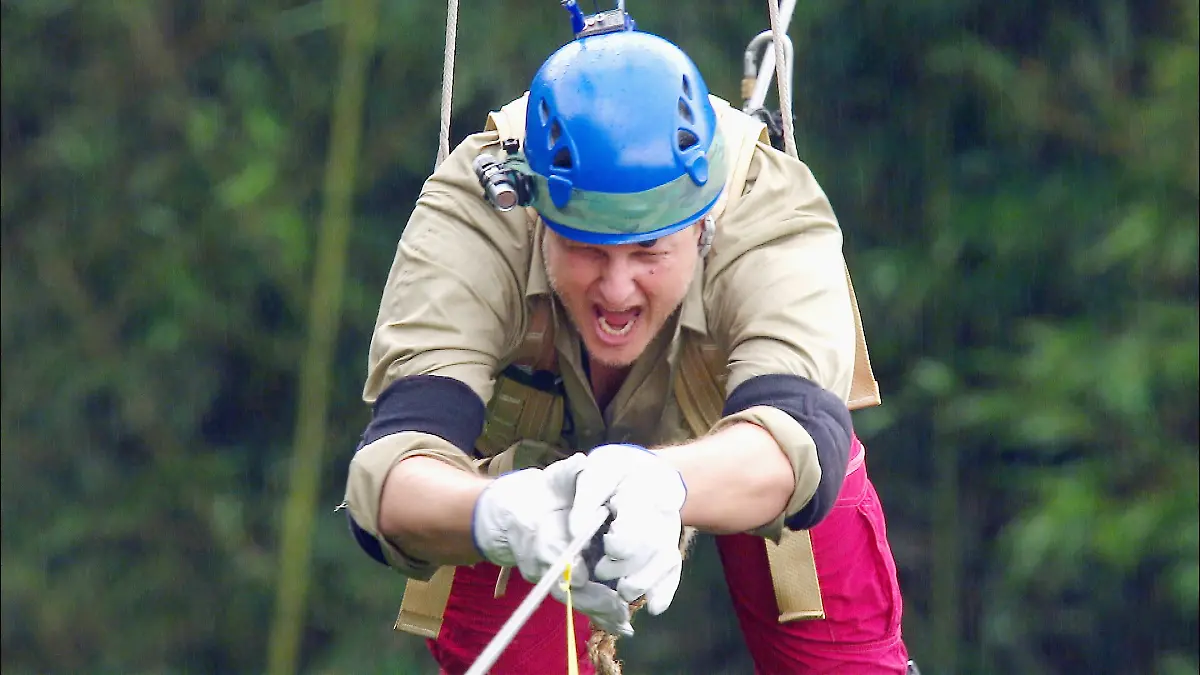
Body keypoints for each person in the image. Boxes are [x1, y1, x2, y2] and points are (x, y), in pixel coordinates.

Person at [342, 12, 912, 675]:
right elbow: (388, 480)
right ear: (538, 218)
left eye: (649, 252)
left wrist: (663, 484)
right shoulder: (479, 209)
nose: (616, 291)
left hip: (739, 460)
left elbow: (798, 443)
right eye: (586, 249)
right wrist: (500, 514)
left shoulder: (768, 206)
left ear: (702, 227)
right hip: (519, 480)